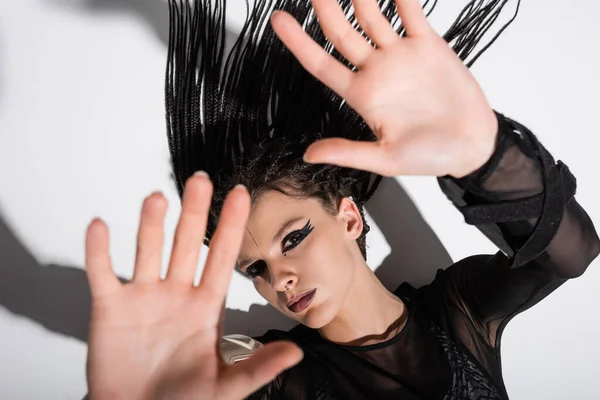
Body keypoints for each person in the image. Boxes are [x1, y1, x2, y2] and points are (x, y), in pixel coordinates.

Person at [84, 0, 600, 399]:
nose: (276, 279)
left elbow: (571, 254)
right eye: (255, 268)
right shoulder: (276, 374)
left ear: (349, 217)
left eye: (293, 238)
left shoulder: (458, 310)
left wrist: (486, 156)